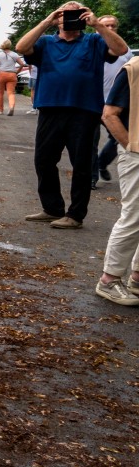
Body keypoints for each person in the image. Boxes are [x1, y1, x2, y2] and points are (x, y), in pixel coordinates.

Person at [16, 1, 129, 229]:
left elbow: (121, 50)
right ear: (58, 17)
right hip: (50, 109)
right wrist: (47, 21)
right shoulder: (47, 42)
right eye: (65, 13)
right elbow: (21, 47)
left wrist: (97, 24)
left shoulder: (94, 40)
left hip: (84, 111)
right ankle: (52, 208)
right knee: (44, 160)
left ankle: (75, 215)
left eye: (75, 13)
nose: (69, 17)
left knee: (82, 165)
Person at [94, 53, 139, 305]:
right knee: (134, 215)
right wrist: (131, 147)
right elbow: (109, 114)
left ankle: (136, 277)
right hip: (136, 153)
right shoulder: (133, 68)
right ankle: (109, 280)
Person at [93, 15, 126, 188]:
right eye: (106, 25)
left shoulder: (123, 51)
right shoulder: (91, 48)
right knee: (90, 140)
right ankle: (92, 178)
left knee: (118, 136)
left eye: (113, 25)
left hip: (114, 105)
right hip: (92, 102)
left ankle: (101, 162)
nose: (110, 28)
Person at [0, 38, 28, 116]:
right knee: (11, 93)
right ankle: (11, 107)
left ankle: (0, 110)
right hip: (12, 75)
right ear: (10, 45)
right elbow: (22, 64)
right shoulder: (14, 54)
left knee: (0, 93)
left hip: (1, 74)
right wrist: (16, 72)